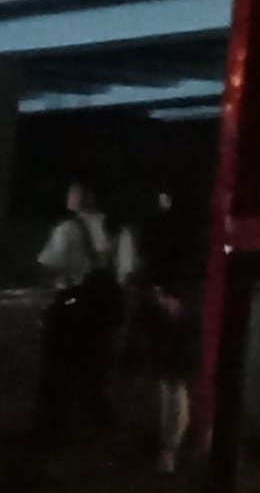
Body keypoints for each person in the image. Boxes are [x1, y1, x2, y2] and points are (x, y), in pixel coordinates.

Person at [34, 180, 123, 452]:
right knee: (95, 364)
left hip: (71, 304)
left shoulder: (67, 230)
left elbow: (48, 265)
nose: (68, 197)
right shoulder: (114, 230)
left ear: (81, 198)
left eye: (72, 193)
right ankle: (96, 419)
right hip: (101, 308)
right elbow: (125, 272)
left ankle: (55, 426)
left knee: (59, 366)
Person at [121, 187, 202, 474]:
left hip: (171, 310)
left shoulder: (164, 231)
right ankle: (173, 446)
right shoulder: (193, 229)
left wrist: (165, 295)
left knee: (171, 382)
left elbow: (155, 268)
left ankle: (169, 450)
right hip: (181, 309)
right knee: (174, 382)